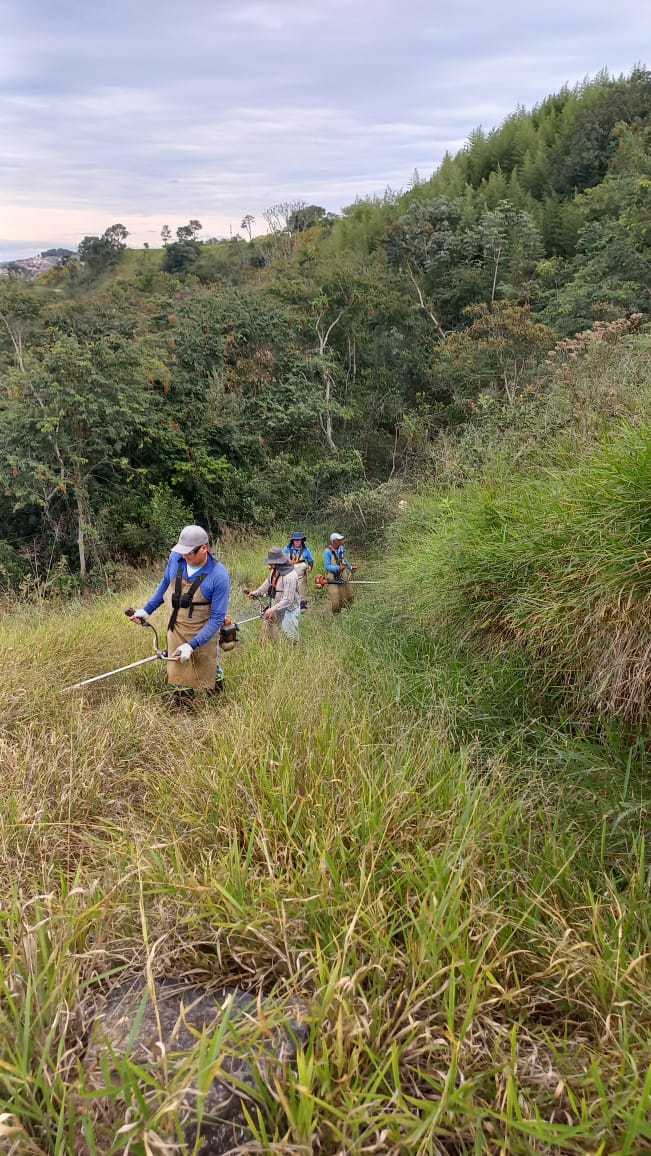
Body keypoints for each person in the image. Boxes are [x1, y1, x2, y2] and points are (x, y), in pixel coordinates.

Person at [129, 525, 230, 704]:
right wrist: (146, 610)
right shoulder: (176, 559)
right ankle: (184, 707)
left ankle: (216, 704)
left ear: (204, 548)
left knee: (209, 668)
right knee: (179, 672)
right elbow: (165, 584)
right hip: (176, 627)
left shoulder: (218, 576)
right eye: (182, 551)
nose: (184, 556)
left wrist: (192, 645)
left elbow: (216, 619)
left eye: (189, 552)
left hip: (203, 631)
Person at [246, 547, 300, 643]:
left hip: (289, 610)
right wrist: (257, 592)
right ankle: (269, 649)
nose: (269, 563)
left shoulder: (290, 576)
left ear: (278, 561)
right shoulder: (275, 570)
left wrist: (271, 609)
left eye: (271, 561)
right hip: (276, 605)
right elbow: (268, 583)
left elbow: (288, 600)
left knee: (290, 638)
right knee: (268, 631)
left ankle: (292, 654)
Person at [323, 532, 356, 614]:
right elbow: (327, 566)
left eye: (341, 539)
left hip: (343, 574)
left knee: (348, 593)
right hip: (332, 577)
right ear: (334, 541)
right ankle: (336, 614)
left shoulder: (341, 548)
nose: (341, 541)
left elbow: (344, 559)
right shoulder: (327, 552)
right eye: (339, 540)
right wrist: (338, 568)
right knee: (335, 598)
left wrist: (350, 567)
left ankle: (349, 611)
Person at [283, 531, 314, 610]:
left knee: (302, 589)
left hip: (301, 575)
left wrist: (310, 567)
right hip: (289, 574)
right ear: (292, 541)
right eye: (295, 540)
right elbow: (282, 560)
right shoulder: (287, 549)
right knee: (289, 590)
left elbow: (310, 561)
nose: (297, 541)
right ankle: (288, 604)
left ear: (302, 541)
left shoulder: (306, 550)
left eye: (299, 540)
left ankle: (302, 606)